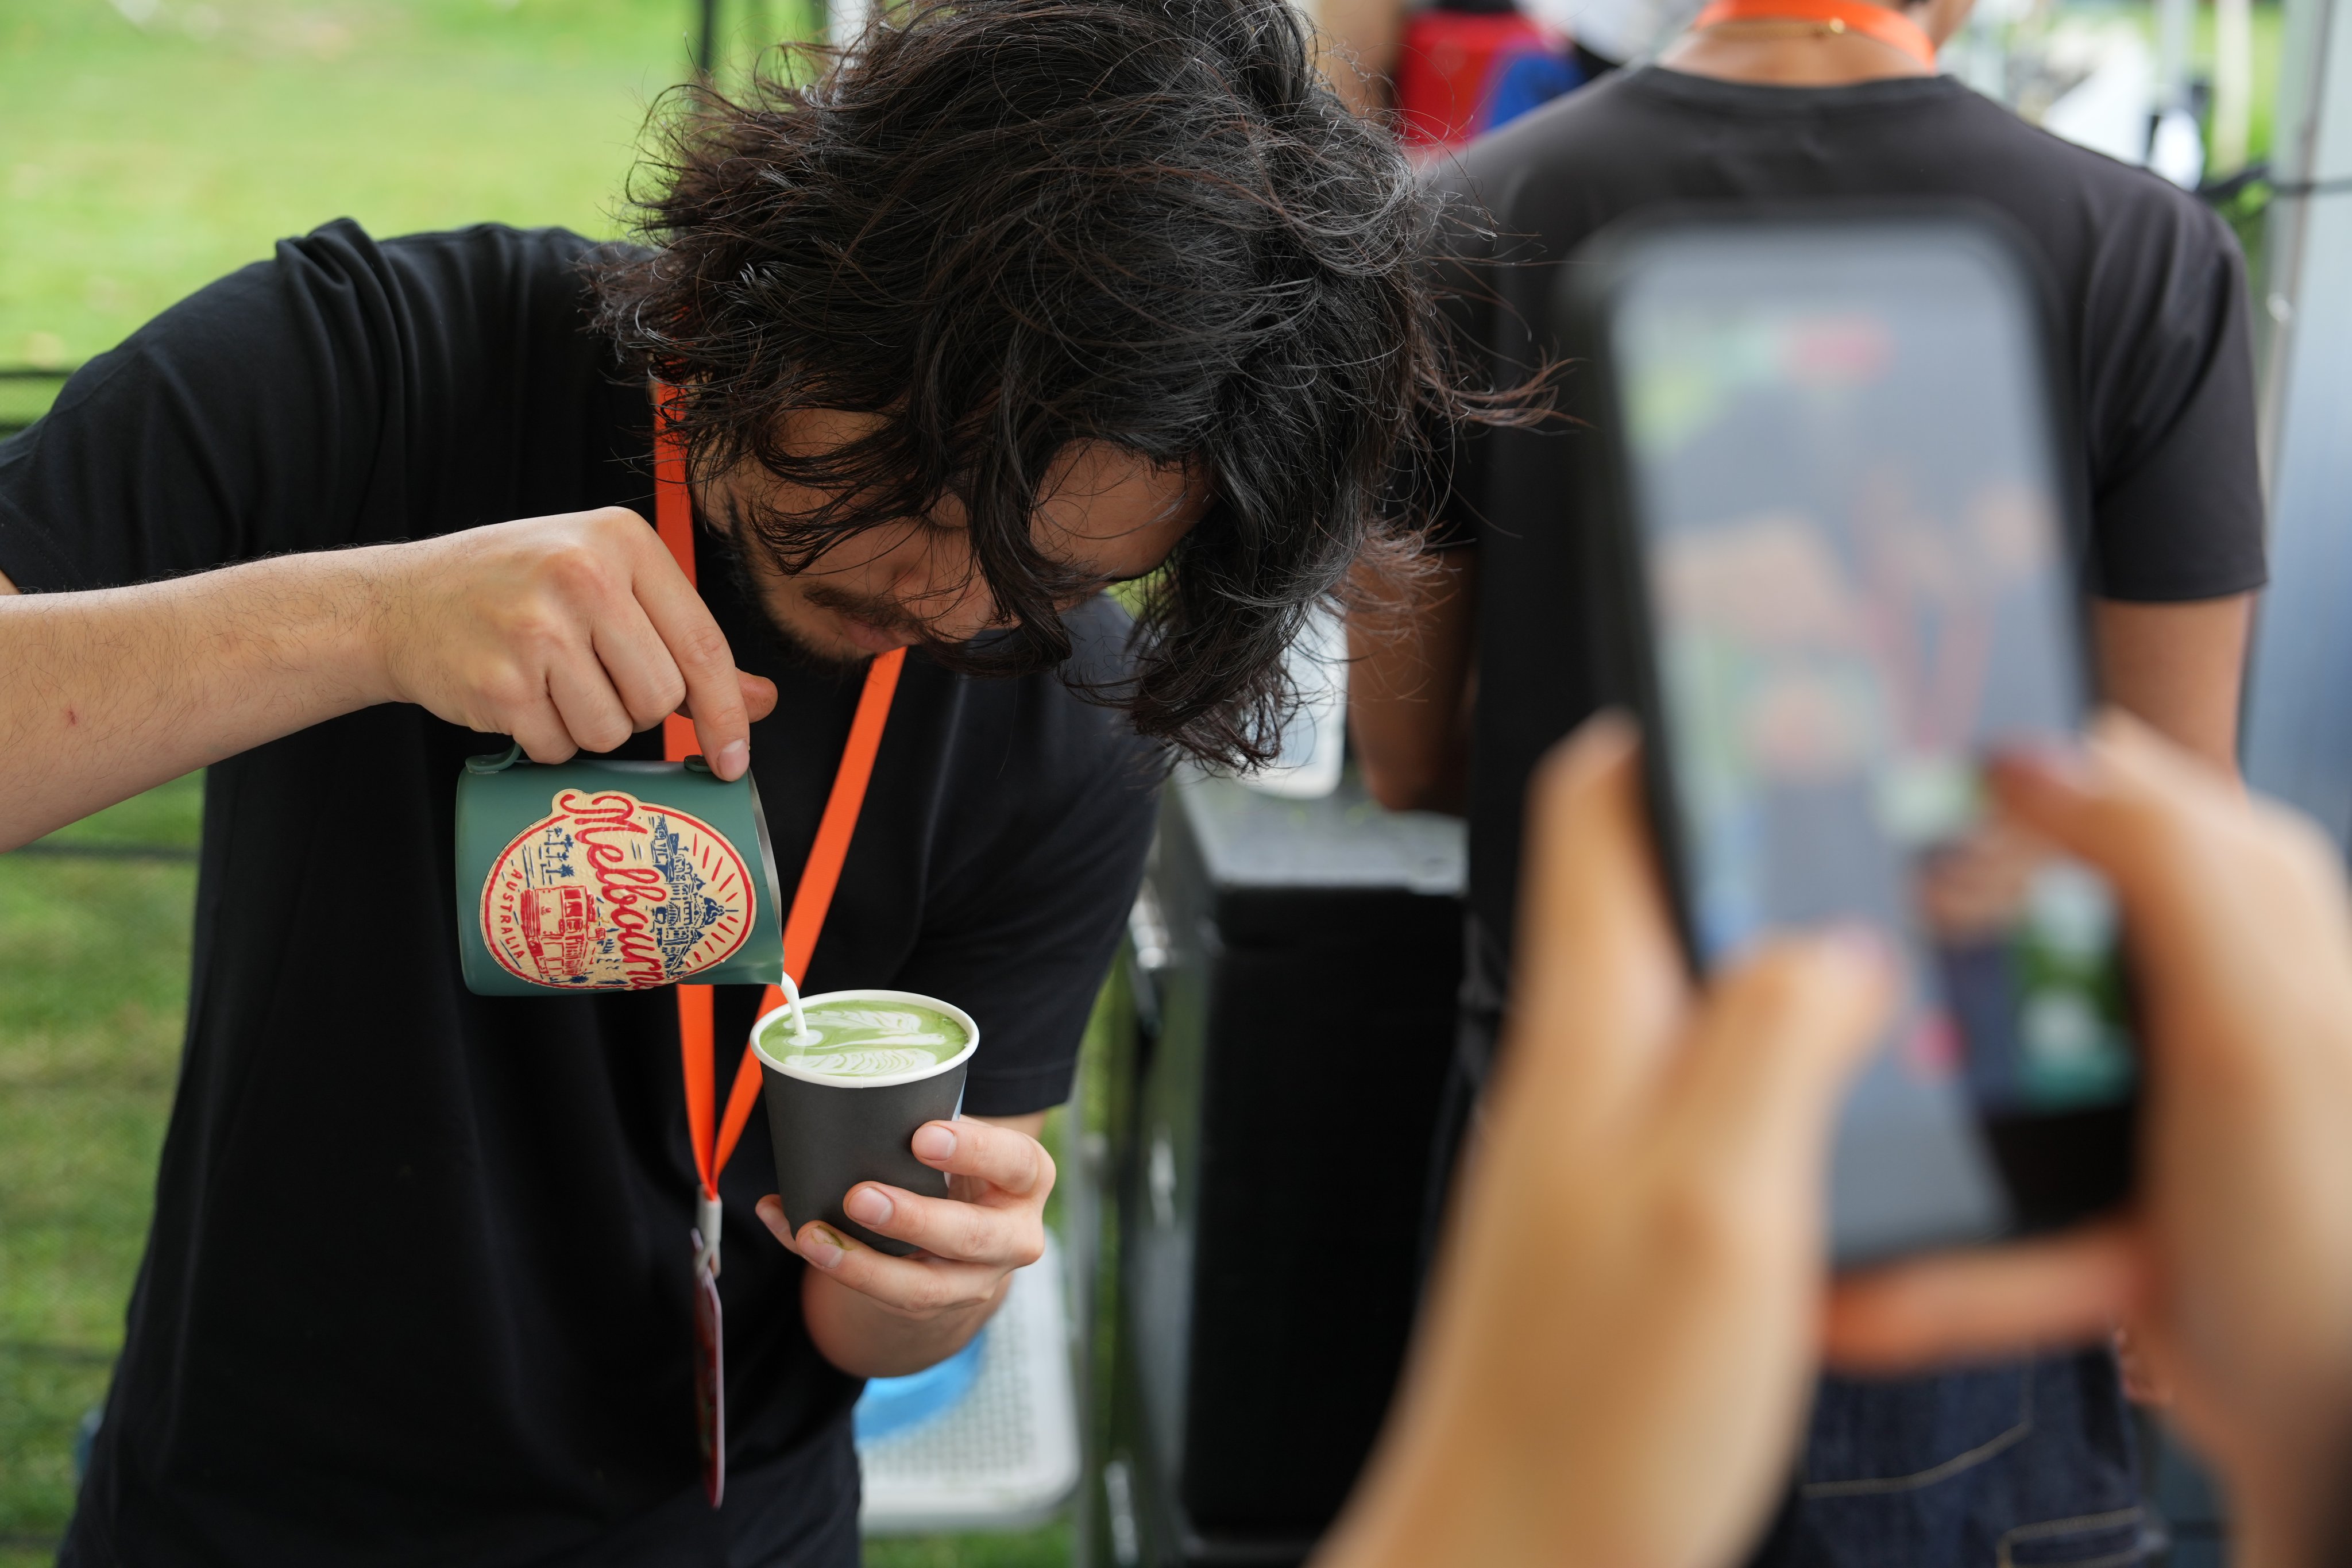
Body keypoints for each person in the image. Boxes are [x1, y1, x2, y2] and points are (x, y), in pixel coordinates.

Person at [0, 0, 1499, 1560]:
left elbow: (879, 1336)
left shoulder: (1070, 709)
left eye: (1043, 570)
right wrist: (368, 619)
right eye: (913, 482)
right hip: (249, 1508)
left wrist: (948, 1279)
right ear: (802, 273)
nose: (943, 597)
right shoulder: (384, 359)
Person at [1346, 0, 2266, 1555]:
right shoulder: (2145, 251)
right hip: (1979, 1168)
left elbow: (1410, 756)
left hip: (1585, 1158)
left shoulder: (1454, 225)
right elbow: (2174, 833)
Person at [1318, 711, 2352, 1568]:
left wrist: (1492, 1528)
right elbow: (2185, 786)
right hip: (1961, 1200)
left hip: (1616, 1163)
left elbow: (1407, 754)